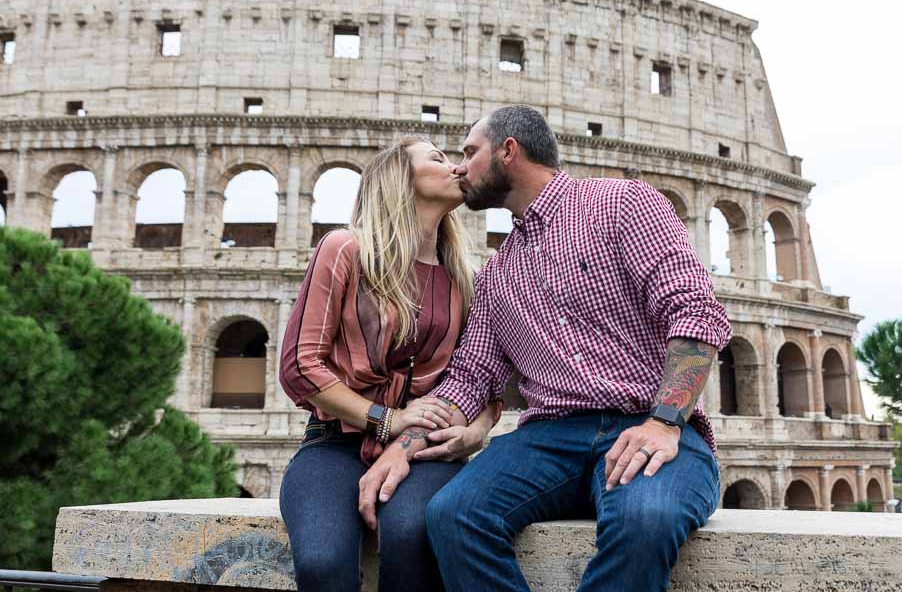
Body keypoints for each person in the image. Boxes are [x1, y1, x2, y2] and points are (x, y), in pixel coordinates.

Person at [357, 106, 732, 591]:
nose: (460, 167)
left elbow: (694, 310)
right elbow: (469, 380)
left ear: (508, 151)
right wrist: (401, 450)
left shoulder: (623, 204)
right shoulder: (497, 273)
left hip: (649, 422)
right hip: (548, 440)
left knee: (645, 519)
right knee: (454, 514)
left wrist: (663, 423)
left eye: (470, 153)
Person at [278, 136, 501, 592]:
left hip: (427, 450)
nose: (458, 167)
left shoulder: (465, 279)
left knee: (412, 536)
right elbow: (300, 366)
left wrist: (477, 431)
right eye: (438, 158)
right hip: (334, 444)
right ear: (399, 178)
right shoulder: (345, 249)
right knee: (321, 562)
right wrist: (387, 419)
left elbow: (482, 377)